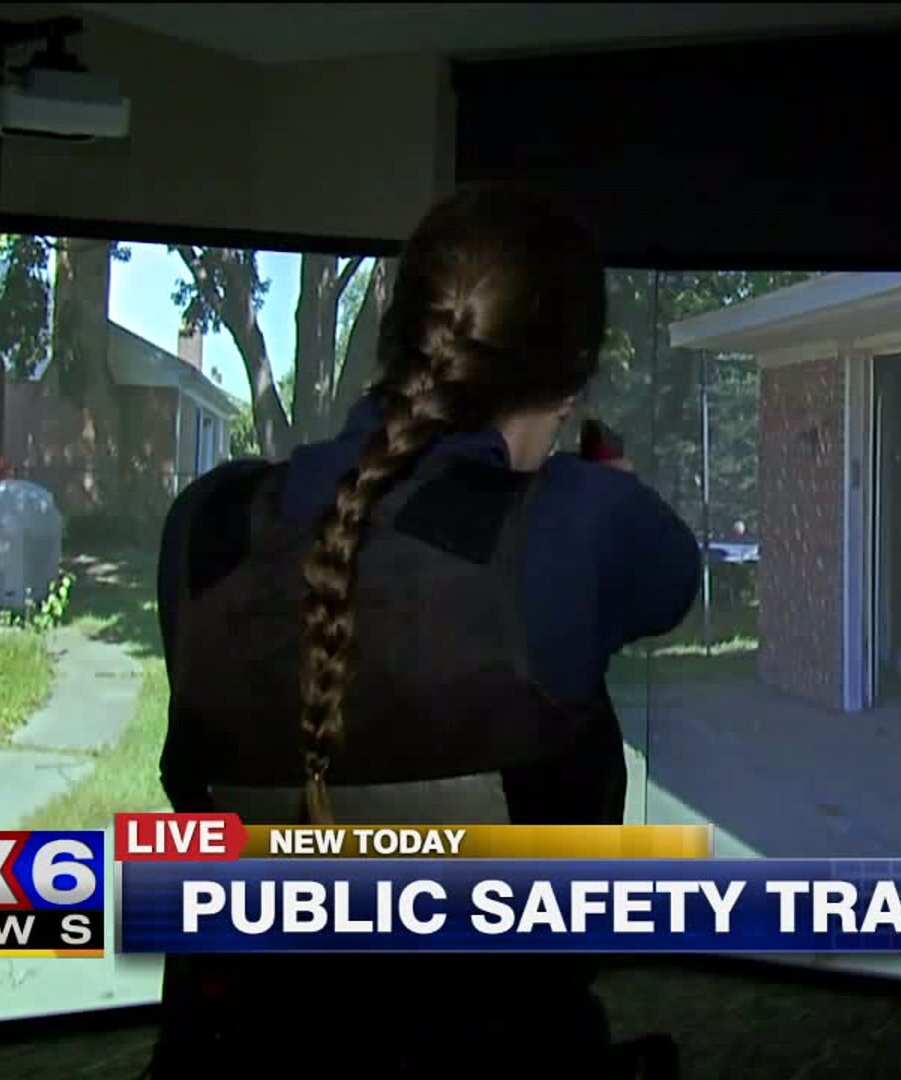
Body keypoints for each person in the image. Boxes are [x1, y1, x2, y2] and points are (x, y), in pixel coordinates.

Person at [148, 186, 702, 1074]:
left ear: (399, 338)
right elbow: (671, 579)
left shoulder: (205, 527)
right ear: (570, 379)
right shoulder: (587, 520)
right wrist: (598, 486)